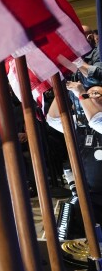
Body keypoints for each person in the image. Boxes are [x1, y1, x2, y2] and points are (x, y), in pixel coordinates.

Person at [47, 81, 102, 223]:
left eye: (96, 93)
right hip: (90, 195)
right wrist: (62, 89)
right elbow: (53, 119)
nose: (91, 96)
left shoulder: (96, 121)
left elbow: (97, 121)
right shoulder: (81, 125)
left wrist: (82, 94)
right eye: (89, 94)